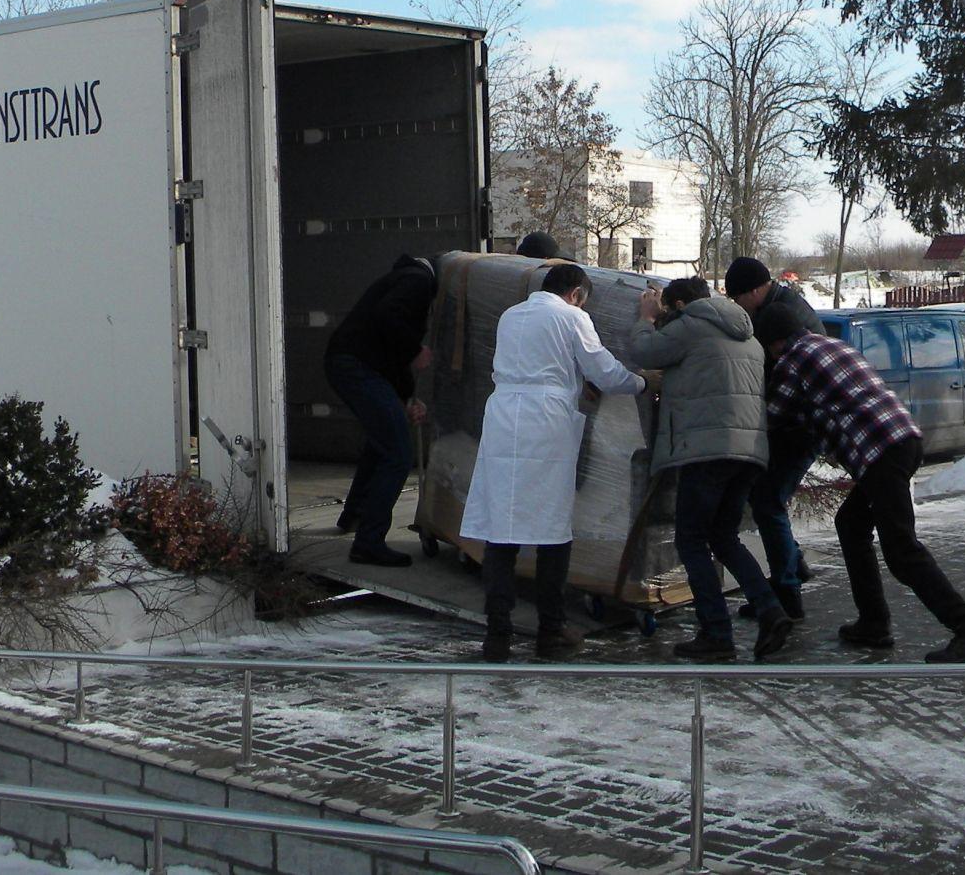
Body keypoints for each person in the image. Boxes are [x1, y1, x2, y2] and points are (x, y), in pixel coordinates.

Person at [755, 306, 965, 663]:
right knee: (851, 525)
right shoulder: (834, 346)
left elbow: (773, 417)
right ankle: (873, 623)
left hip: (880, 452)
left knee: (902, 552)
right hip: (903, 440)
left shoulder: (793, 360)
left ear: (774, 343)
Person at [461, 264, 647, 662]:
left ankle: (497, 634)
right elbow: (604, 369)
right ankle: (550, 629)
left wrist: (577, 380)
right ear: (577, 293)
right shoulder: (572, 317)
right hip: (547, 421)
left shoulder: (512, 316)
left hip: (504, 416)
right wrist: (643, 381)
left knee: (502, 525)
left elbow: (543, 361)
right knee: (551, 529)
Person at [629, 277, 790, 663]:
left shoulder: (691, 325)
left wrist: (646, 318)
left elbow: (644, 351)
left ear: (681, 304)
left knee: (691, 539)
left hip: (707, 451)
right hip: (747, 451)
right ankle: (771, 610)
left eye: (670, 307)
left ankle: (716, 632)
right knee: (724, 536)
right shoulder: (746, 335)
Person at [723, 256, 824, 618]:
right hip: (798, 425)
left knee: (767, 502)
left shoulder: (783, 315)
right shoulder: (782, 305)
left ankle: (786, 592)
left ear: (754, 291)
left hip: (798, 428)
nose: (737, 307)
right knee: (768, 499)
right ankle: (794, 568)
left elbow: (779, 377)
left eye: (737, 299)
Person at [324, 254, 438, 567]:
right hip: (356, 366)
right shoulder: (419, 281)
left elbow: (388, 348)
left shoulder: (405, 279)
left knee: (383, 442)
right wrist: (416, 350)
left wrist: (407, 400)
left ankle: (356, 516)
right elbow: (388, 318)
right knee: (398, 453)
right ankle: (369, 542)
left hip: (351, 363)